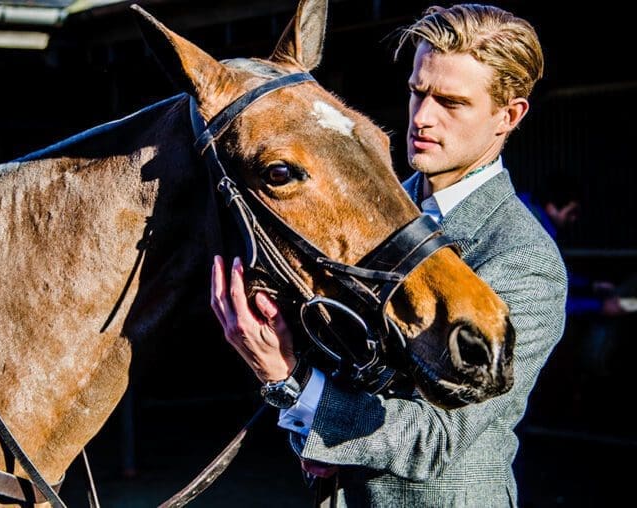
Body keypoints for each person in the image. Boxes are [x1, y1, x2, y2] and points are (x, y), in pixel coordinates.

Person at [210, 4, 567, 507]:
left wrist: (287, 379)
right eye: (417, 92)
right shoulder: (372, 212)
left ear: (508, 116)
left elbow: (434, 439)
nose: (422, 118)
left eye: (452, 102)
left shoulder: (523, 257)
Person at [519, 176, 627, 317]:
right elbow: (546, 300)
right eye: (571, 212)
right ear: (551, 208)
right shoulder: (535, 238)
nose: (574, 219)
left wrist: (590, 286)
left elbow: (556, 278)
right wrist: (598, 307)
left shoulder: (526, 215)